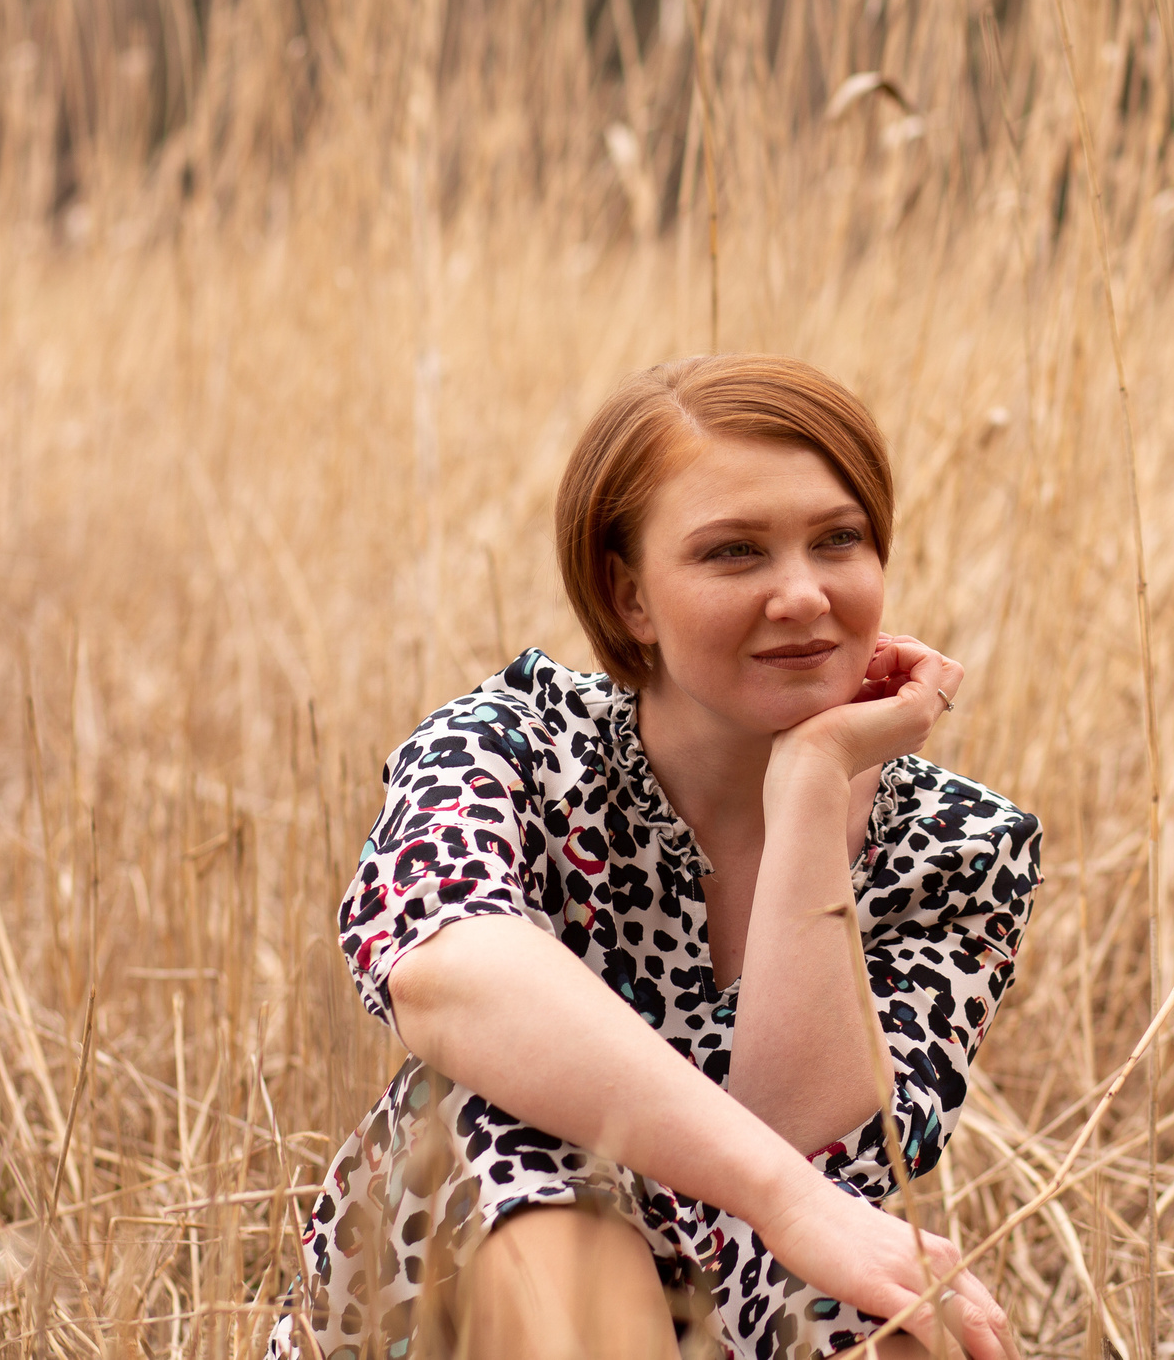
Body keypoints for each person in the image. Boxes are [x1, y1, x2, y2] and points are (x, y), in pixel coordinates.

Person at [270, 355, 1041, 1360]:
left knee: (892, 1320)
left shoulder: (955, 848)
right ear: (631, 597)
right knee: (506, 1133)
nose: (803, 594)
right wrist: (784, 1198)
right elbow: (447, 970)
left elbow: (801, 1131)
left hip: (749, 1272)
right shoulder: (513, 746)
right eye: (734, 554)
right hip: (476, 1267)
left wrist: (812, 787)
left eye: (838, 540)